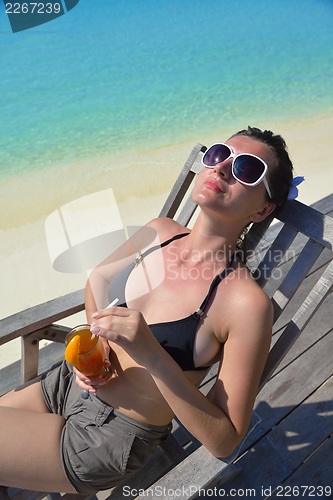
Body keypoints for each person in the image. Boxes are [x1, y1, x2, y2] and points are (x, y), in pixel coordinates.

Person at [0, 126, 293, 495]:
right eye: (220, 155)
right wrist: (96, 345)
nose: (222, 169)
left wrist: (153, 356)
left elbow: (225, 439)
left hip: (106, 436)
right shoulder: (158, 231)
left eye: (246, 169)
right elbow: (98, 280)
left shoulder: (244, 303)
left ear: (263, 208)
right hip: (65, 383)